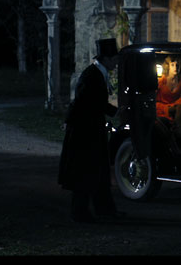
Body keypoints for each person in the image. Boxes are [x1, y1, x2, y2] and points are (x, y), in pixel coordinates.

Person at [57, 38, 125, 223]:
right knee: (85, 171)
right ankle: (80, 212)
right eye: (115, 59)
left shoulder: (97, 73)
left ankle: (104, 209)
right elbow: (88, 101)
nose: (116, 63)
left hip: (91, 128)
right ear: (107, 59)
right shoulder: (92, 75)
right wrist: (114, 111)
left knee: (98, 170)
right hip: (84, 131)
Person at [156, 55, 181, 147]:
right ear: (168, 66)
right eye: (173, 65)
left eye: (177, 65)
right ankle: (179, 132)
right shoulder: (161, 80)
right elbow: (153, 100)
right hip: (162, 107)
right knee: (179, 107)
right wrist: (167, 108)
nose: (176, 67)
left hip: (176, 106)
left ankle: (178, 129)